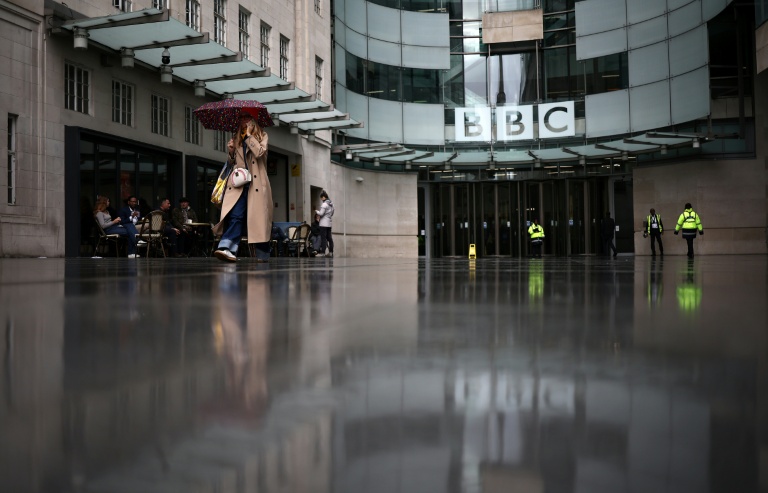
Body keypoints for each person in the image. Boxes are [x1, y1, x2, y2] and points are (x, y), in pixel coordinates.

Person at [213, 112, 272, 263]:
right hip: (239, 185)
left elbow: (259, 153)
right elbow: (232, 164)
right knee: (235, 216)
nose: (243, 121)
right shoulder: (236, 139)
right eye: (241, 118)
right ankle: (227, 248)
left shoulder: (262, 136)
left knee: (258, 220)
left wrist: (249, 136)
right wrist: (231, 151)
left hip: (257, 185)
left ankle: (263, 252)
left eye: (246, 118)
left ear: (253, 121)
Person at [315, 191, 335, 257]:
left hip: (323, 224)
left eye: (321, 198)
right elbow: (332, 214)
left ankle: (323, 252)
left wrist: (317, 211)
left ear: (323, 197)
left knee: (323, 238)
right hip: (329, 223)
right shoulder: (331, 204)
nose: (321, 199)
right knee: (330, 238)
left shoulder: (324, 204)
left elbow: (321, 213)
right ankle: (331, 252)